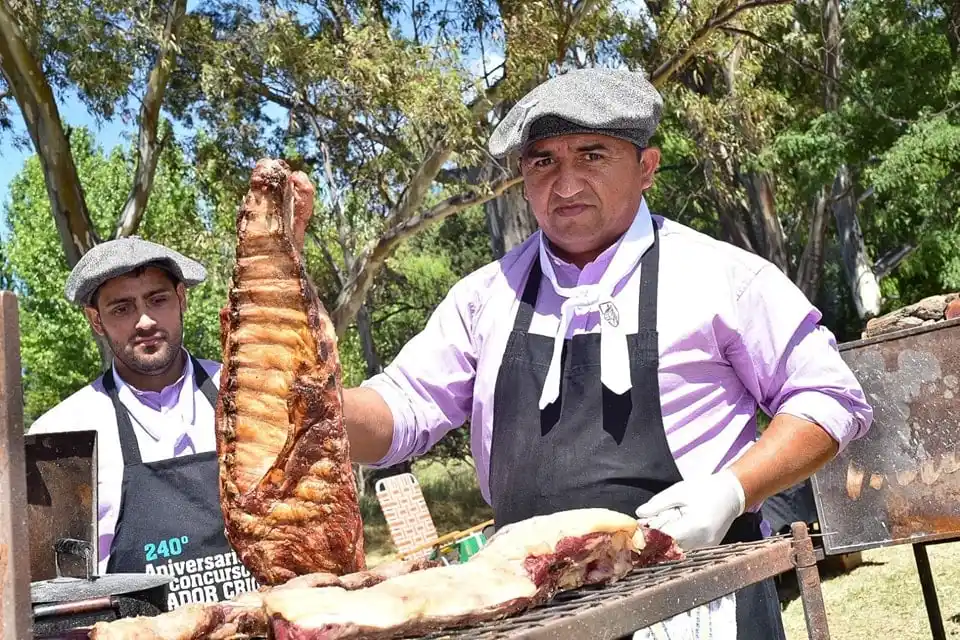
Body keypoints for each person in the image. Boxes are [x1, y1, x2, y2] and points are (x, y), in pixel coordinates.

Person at [340, 68, 873, 638]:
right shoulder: (484, 299)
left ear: (647, 167)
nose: (565, 184)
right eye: (543, 162)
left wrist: (733, 490)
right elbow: (401, 409)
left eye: (591, 156)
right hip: (535, 617)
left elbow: (830, 397)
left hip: (701, 607)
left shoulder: (721, 277)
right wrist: (306, 408)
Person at [28, 237, 257, 610]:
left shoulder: (251, 395)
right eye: (122, 309)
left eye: (158, 300)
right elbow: (53, 596)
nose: (145, 321)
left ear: (181, 298)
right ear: (96, 320)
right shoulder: (61, 436)